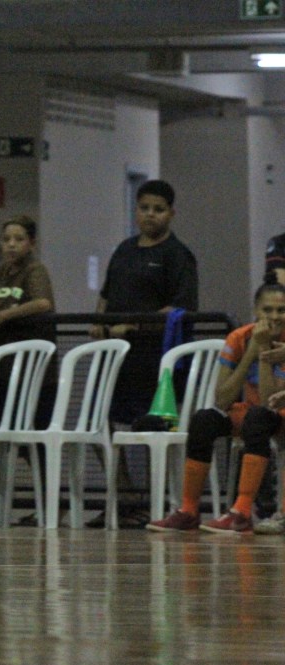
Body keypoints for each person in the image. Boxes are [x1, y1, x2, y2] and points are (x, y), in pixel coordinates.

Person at [89, 179, 198, 528]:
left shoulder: (178, 255)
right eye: (144, 208)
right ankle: (125, 498)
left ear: (171, 213)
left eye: (158, 209)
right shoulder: (124, 250)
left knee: (153, 429)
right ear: (136, 211)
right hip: (116, 361)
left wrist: (133, 326)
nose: (150, 215)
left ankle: (157, 503)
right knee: (98, 422)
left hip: (155, 361)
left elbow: (179, 308)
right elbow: (105, 295)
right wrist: (99, 322)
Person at [147, 283, 285, 534]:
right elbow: (221, 399)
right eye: (267, 310)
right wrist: (250, 352)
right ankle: (188, 510)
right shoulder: (239, 337)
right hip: (252, 413)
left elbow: (270, 402)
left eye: (281, 310)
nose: (274, 316)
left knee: (258, 416)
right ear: (256, 310)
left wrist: (264, 349)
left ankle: (242, 512)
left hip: (279, 414)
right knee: (204, 419)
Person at [0, 215, 57, 526]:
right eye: (7, 239)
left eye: (19, 239)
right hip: (5, 371)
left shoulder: (35, 270)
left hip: (37, 373)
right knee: (9, 436)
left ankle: (50, 505)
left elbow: (42, 303)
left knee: (38, 440)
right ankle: (4, 506)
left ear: (31, 243)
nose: (12, 245)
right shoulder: (2, 272)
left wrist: (2, 316)